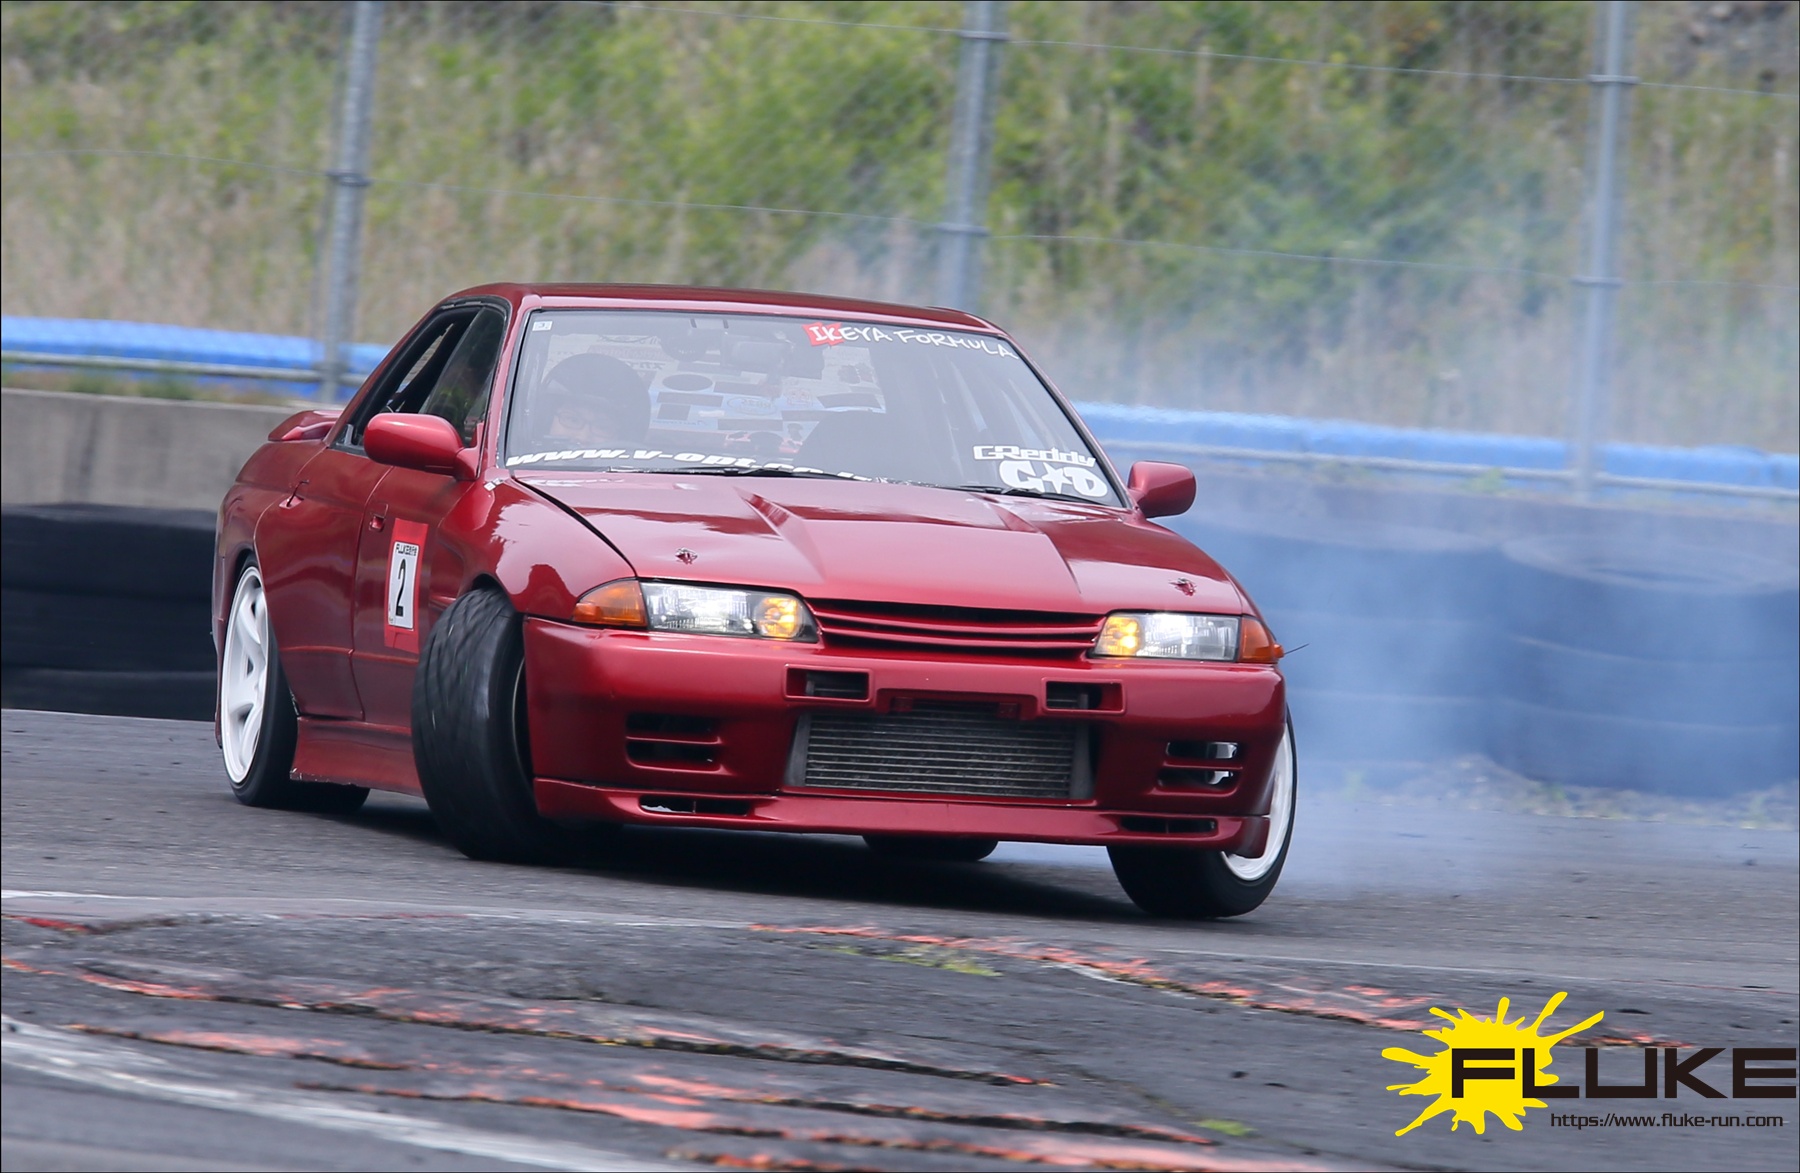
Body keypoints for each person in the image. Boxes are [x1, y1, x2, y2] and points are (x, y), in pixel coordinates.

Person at [533, 353, 650, 447]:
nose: (583, 437)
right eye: (573, 420)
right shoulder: (522, 463)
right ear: (547, 420)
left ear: (622, 436)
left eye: (602, 427)